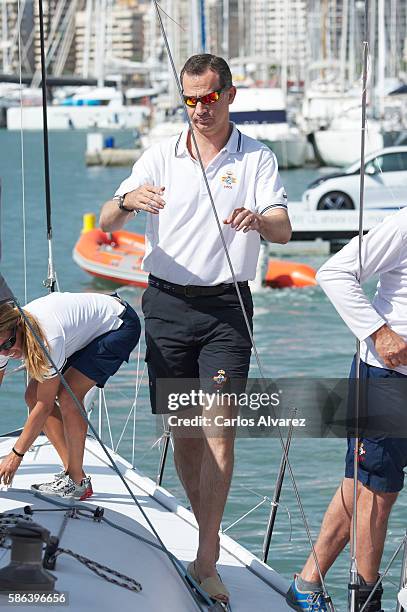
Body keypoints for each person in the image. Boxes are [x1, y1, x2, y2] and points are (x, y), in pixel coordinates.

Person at [99, 53, 291, 604]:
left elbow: (283, 227)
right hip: (165, 306)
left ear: (230, 95)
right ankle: (205, 529)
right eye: (190, 100)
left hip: (226, 310)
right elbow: (108, 218)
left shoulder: (255, 159)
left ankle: (208, 557)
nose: (200, 110)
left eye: (209, 98)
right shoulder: (161, 154)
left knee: (218, 433)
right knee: (183, 434)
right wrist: (128, 200)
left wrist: (257, 218)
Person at [286, 209, 407, 611]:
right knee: (377, 489)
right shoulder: (404, 225)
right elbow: (333, 273)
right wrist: (379, 332)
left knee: (362, 485)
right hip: (387, 374)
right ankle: (367, 602)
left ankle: (306, 584)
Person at [0, 291, 140, 499]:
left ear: (18, 327)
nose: (5, 353)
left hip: (118, 325)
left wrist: (16, 455)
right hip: (86, 330)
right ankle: (74, 475)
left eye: (8, 345)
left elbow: (45, 405)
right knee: (32, 395)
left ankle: (77, 482)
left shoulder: (46, 338)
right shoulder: (3, 338)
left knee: (68, 396)